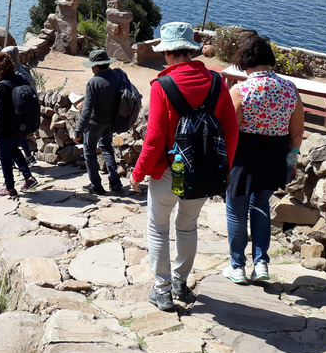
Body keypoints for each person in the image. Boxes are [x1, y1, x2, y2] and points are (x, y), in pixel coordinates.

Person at [129, 22, 239, 312]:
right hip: (202, 173)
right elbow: (231, 131)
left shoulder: (162, 86)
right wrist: (222, 167)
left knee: (158, 228)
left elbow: (153, 138)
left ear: (167, 54)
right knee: (187, 227)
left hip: (168, 173)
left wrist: (138, 172)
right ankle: (180, 282)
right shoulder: (217, 82)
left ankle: (162, 290)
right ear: (191, 51)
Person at [223, 31, 304, 285]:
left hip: (244, 158)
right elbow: (297, 132)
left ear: (245, 61)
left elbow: (230, 132)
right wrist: (291, 163)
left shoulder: (240, 90)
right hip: (275, 157)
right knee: (260, 208)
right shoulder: (290, 89)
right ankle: (261, 264)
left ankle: (238, 267)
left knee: (236, 212)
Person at [73, 49, 123, 195]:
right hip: (111, 121)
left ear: (95, 66)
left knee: (89, 152)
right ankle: (115, 180)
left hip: (95, 124)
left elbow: (87, 111)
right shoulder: (117, 75)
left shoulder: (93, 82)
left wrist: (78, 131)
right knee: (107, 147)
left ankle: (96, 185)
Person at [0, 52, 38, 197]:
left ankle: (9, 188)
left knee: (5, 158)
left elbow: (0, 114)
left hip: (7, 130)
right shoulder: (22, 80)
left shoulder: (2, 86)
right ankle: (28, 178)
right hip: (22, 127)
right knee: (15, 150)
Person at [2, 45, 36, 165]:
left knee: (14, 135)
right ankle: (24, 157)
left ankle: (24, 158)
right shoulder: (25, 71)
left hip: (20, 110)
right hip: (30, 108)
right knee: (18, 135)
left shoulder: (16, 76)